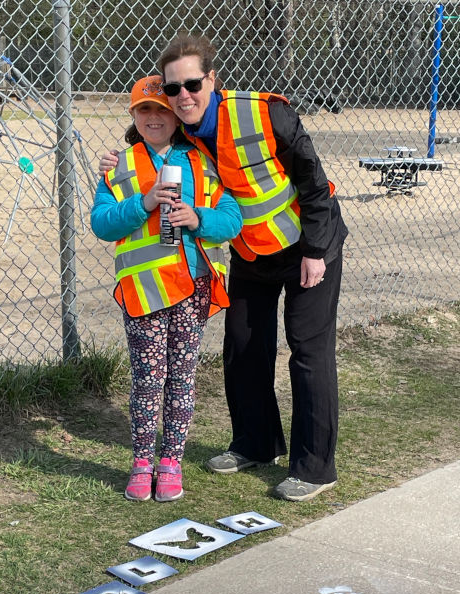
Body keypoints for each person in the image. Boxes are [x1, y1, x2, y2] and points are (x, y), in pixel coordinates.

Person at [99, 37, 348, 502]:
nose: (183, 96)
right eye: (174, 89)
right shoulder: (184, 133)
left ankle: (315, 468)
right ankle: (256, 444)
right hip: (252, 251)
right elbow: (149, 145)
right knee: (244, 344)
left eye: (192, 84)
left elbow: (313, 180)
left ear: (212, 80)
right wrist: (115, 159)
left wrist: (316, 249)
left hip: (306, 244)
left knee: (307, 351)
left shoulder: (265, 113)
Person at [91, 75, 242, 502]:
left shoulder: (202, 161)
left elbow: (231, 219)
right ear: (134, 117)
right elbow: (101, 222)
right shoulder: (121, 165)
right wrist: (144, 203)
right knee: (146, 378)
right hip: (145, 291)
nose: (154, 117)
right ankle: (142, 461)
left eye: (162, 110)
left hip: (192, 286)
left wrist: (198, 220)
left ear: (177, 117)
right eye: (145, 110)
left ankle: (170, 461)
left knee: (181, 376)